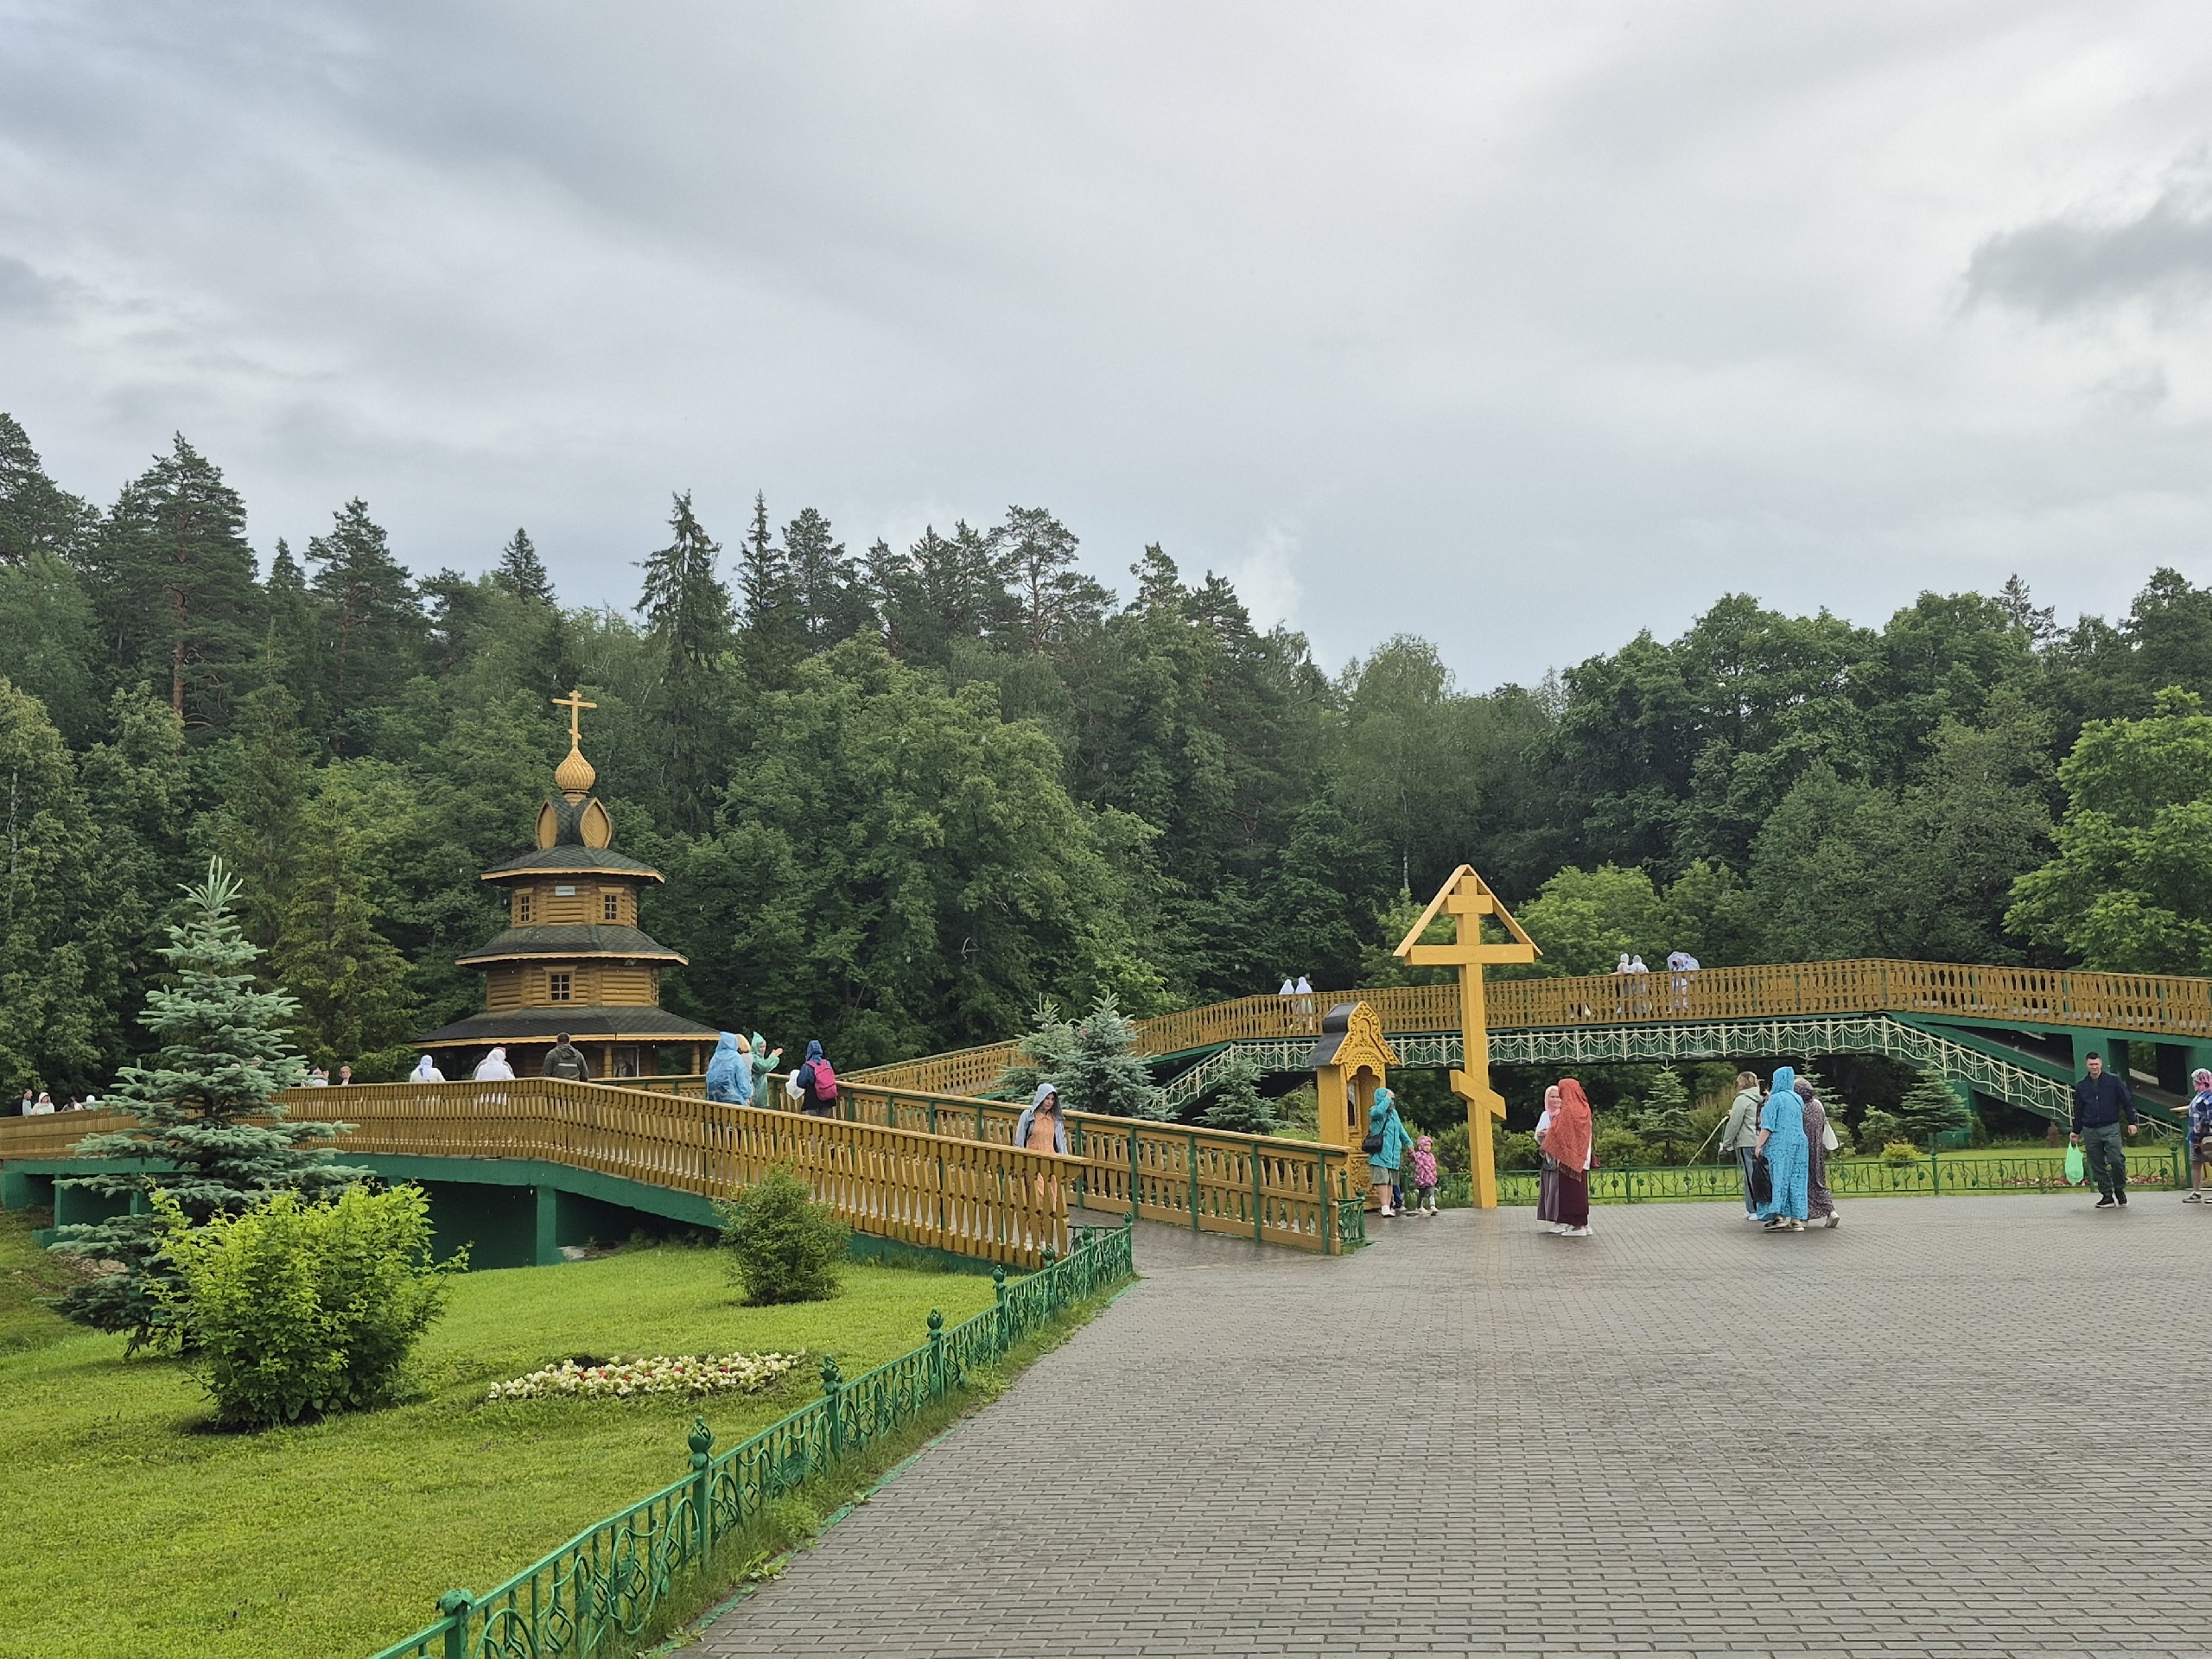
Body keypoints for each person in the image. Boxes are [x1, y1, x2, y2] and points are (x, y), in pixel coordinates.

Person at [2069, 1051, 2139, 1209]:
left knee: (2116, 1159)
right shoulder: (2082, 1086)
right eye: (2091, 1064)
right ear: (2086, 1065)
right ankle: (2107, 1195)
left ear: (2101, 1064)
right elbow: (2079, 1109)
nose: (2094, 1067)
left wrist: (2132, 1121)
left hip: (2110, 1126)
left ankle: (2119, 1188)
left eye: (2096, 1064)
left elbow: (2126, 1100)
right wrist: (2076, 1130)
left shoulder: (2113, 1081)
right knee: (2097, 1163)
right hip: (2090, 1129)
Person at [1755, 1065, 1810, 1231]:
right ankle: (1796, 1220)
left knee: (1778, 1179)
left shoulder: (1775, 1099)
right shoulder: (1797, 1099)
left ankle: (1778, 1216)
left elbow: (1768, 1126)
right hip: (1800, 1143)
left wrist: (1759, 1145)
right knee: (1797, 1179)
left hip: (1779, 1144)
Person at [1540, 1078, 1594, 1236]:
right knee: (1580, 1191)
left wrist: (1547, 1138)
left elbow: (1558, 1132)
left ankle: (1577, 1226)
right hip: (1582, 1157)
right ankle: (1583, 1223)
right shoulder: (1584, 1108)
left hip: (1569, 1160)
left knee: (1571, 1192)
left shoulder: (1568, 1111)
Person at [1719, 1071, 1765, 1222]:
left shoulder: (1742, 1099)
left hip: (1747, 1141)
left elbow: (1735, 1123)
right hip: (1762, 1139)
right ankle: (1757, 1206)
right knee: (1762, 1174)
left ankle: (1755, 1209)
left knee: (1750, 1175)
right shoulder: (1764, 1097)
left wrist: (1726, 1143)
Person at [1797, 1076, 1840, 1230]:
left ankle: (1803, 1217)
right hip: (1818, 1151)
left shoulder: (1799, 1107)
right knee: (1819, 1183)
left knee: (1803, 1183)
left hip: (1802, 1151)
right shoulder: (1817, 1105)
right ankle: (1831, 1212)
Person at [1365, 1087, 1412, 1216]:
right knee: (1383, 1180)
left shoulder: (1394, 1113)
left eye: (1392, 1099)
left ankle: (1388, 1205)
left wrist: (1409, 1143)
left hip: (1393, 1154)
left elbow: (1401, 1129)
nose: (1391, 1101)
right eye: (1389, 1099)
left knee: (1391, 1181)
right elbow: (1379, 1112)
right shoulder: (1374, 1111)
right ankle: (1384, 1206)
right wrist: (1386, 1098)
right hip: (1380, 1153)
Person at [1535, 1083, 1563, 1230]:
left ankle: (1561, 1220)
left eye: (1558, 1096)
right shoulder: (1545, 1115)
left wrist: (1550, 1133)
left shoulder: (1563, 1114)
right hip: (1548, 1158)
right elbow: (1538, 1134)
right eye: (1552, 1097)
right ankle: (1553, 1218)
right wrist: (1541, 1135)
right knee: (1550, 1189)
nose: (1555, 1100)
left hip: (1561, 1159)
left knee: (1559, 1189)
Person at [1015, 1082, 1068, 1154]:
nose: (1050, 1102)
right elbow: (1019, 1141)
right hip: (1032, 1157)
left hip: (1050, 1157)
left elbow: (1062, 1144)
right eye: (1047, 1098)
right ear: (1041, 1098)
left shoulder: (1055, 1119)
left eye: (1052, 1099)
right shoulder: (1028, 1115)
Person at [793, 1040, 838, 1118]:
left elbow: (800, 1083)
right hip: (828, 1098)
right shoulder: (827, 1063)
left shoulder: (807, 1066)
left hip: (812, 1100)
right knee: (825, 1123)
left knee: (812, 1124)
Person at [2186, 1068, 2212, 1203]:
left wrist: (2204, 1126)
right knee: (2195, 1162)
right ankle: (2196, 1192)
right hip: (2195, 1136)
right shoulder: (2199, 1095)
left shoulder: (2209, 1097)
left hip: (2207, 1136)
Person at [705, 1032, 751, 1105]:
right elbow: (742, 1078)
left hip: (714, 1098)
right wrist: (747, 1095)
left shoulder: (715, 1057)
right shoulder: (736, 1057)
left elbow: (710, 1076)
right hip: (733, 1098)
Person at [1409, 1133, 1440, 1217]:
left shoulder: (1431, 1156)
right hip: (1422, 1179)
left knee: (1431, 1192)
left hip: (1430, 1178)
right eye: (1425, 1145)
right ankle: (1419, 1207)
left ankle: (1432, 1206)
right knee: (1421, 1193)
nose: (1428, 1147)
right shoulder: (1419, 1155)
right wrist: (1411, 1152)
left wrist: (1434, 1174)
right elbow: (1413, 1157)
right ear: (1421, 1146)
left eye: (1429, 1145)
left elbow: (1434, 1166)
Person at [747, 1032, 780, 1105]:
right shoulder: (753, 1058)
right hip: (754, 1094)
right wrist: (773, 1056)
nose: (763, 1049)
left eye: (764, 1047)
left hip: (760, 1095)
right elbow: (764, 1067)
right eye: (761, 1047)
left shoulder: (759, 1058)